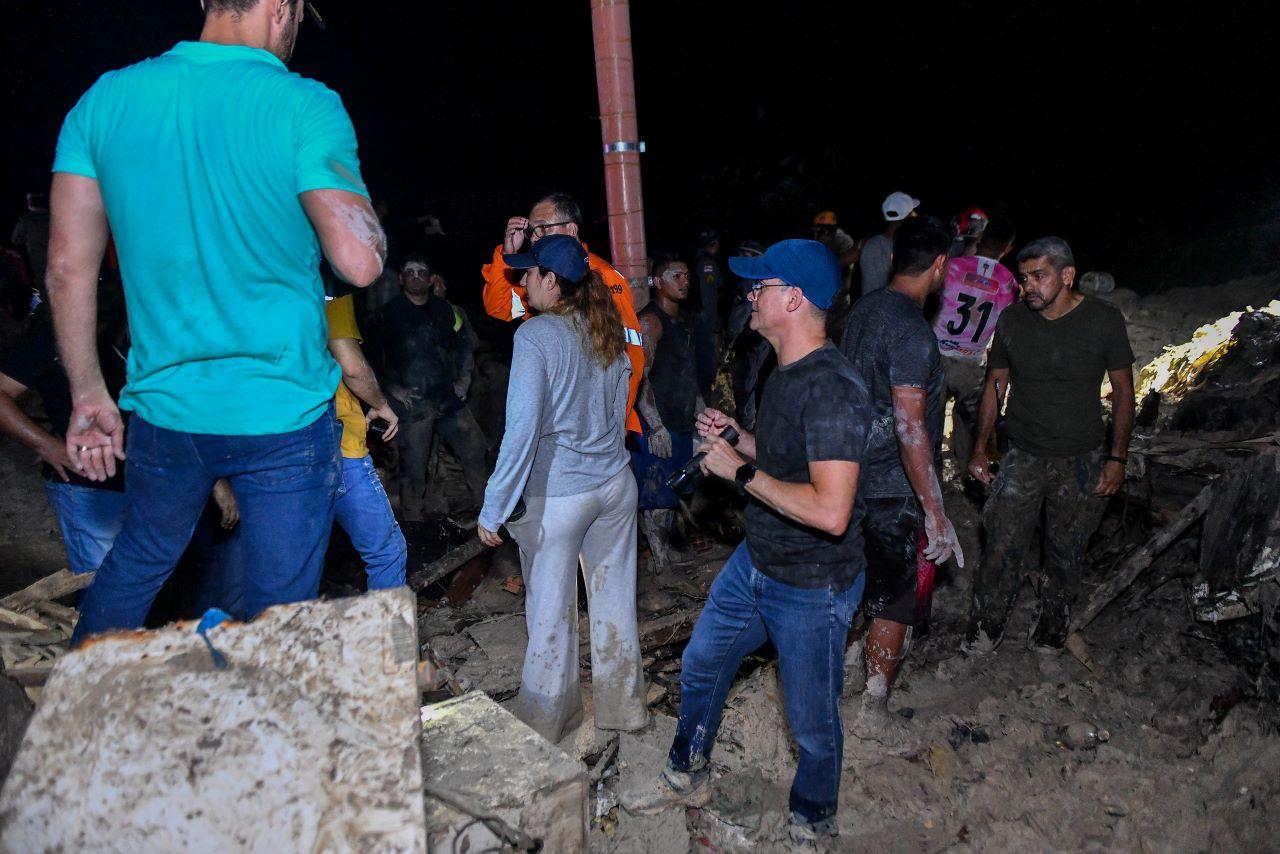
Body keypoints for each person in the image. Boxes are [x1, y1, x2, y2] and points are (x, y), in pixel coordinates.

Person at [52, 0, 385, 645]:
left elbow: (67, 268)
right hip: (283, 414)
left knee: (139, 562)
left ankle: (76, 714)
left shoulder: (105, 100)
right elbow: (360, 261)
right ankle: (261, 737)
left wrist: (88, 394)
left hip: (167, 413)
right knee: (280, 609)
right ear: (281, 10)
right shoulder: (303, 103)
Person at [622, 239, 870, 848]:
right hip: (756, 562)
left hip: (812, 583)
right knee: (702, 664)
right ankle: (688, 774)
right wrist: (740, 439)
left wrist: (738, 471)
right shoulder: (786, 371)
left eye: (759, 286)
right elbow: (792, 462)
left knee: (812, 725)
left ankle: (813, 821)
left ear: (793, 299)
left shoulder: (834, 388)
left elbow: (833, 511)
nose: (748, 296)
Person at [476, 235, 646, 744]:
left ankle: (550, 722)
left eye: (527, 275)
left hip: (563, 495)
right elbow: (621, 402)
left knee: (550, 614)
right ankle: (623, 709)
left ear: (552, 281)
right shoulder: (607, 324)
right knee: (616, 602)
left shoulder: (535, 337)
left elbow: (521, 430)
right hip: (616, 486)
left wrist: (494, 508)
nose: (521, 283)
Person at [965, 237, 1136, 651]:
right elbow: (995, 385)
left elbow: (1124, 392)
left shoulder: (1103, 320)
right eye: (1024, 278)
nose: (1029, 287)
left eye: (1038, 276)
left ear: (1067, 275)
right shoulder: (1012, 321)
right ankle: (987, 627)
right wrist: (979, 449)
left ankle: (1051, 626)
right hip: (1023, 452)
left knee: (1067, 546)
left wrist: (1116, 458)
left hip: (1082, 455)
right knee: (1002, 542)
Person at [840, 216, 965, 735]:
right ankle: (873, 708)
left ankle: (845, 675)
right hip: (893, 486)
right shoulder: (912, 330)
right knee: (896, 596)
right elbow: (910, 425)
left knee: (857, 583)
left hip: (848, 477)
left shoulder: (860, 311)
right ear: (939, 266)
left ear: (894, 258)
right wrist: (936, 513)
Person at [480, 192, 645, 434]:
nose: (534, 238)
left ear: (571, 230)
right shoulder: (540, 273)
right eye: (531, 231)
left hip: (596, 422)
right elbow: (498, 308)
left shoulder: (603, 277)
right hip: (555, 413)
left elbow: (630, 354)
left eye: (543, 229)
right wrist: (507, 256)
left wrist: (617, 422)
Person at [380, 256, 488, 519]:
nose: (416, 275)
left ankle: (487, 510)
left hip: (447, 398)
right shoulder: (389, 314)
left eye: (422, 271)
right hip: (414, 405)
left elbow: (464, 343)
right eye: (410, 271)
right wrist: (394, 389)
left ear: (430, 280)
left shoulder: (444, 310)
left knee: (475, 449)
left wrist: (463, 379)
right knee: (414, 469)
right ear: (401, 278)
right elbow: (374, 355)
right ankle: (414, 525)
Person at [632, 256, 716, 568]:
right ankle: (661, 563)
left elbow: (688, 376)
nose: (684, 281)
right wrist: (655, 427)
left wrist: (701, 419)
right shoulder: (650, 323)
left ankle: (666, 555)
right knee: (657, 497)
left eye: (686, 275)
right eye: (675, 275)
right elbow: (640, 377)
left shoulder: (686, 322)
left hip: (680, 421)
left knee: (677, 489)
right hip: (659, 424)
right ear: (657, 281)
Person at [326, 293, 407, 589]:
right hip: (339, 449)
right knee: (386, 551)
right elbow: (352, 366)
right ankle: (387, 636)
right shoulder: (326, 288)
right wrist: (379, 403)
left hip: (276, 450)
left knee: (289, 569)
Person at [932, 215, 1018, 469]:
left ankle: (929, 475)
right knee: (968, 423)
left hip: (935, 355)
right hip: (971, 361)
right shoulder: (1009, 282)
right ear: (1008, 248)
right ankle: (966, 472)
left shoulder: (954, 266)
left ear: (981, 238)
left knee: (929, 420)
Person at [859, 191, 920, 296]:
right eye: (912, 214)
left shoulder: (872, 244)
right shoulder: (903, 249)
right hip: (884, 309)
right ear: (907, 219)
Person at [431, 271, 478, 404]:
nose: (440, 288)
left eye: (441, 284)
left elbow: (469, 345)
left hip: (450, 385)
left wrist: (461, 386)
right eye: (436, 285)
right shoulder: (409, 311)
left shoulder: (455, 312)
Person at [810, 210, 861, 293]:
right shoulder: (823, 239)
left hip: (839, 291)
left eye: (819, 227)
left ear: (828, 227)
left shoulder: (844, 240)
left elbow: (844, 264)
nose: (816, 230)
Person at [11, 192, 50, 300]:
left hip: (38, 261)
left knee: (43, 289)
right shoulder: (54, 217)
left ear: (30, 203)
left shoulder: (26, 219)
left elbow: (16, 240)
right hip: (57, 258)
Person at [692, 227, 725, 334]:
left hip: (701, 316)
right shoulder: (707, 263)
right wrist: (714, 324)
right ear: (715, 243)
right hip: (705, 319)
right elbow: (708, 295)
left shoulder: (700, 259)